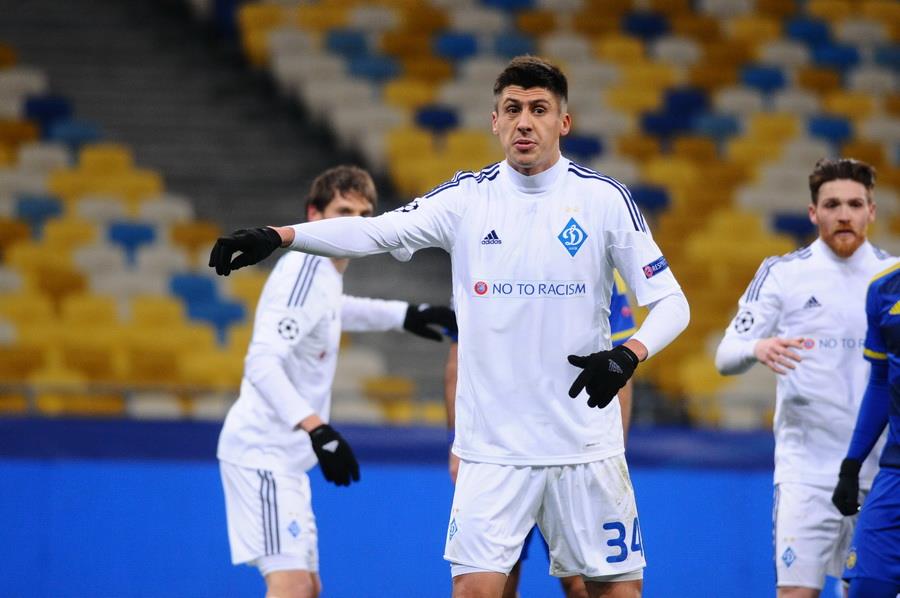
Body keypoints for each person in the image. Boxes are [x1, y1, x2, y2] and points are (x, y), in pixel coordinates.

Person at [209, 56, 690, 598]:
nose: (524, 122)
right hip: (491, 454)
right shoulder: (466, 199)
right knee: (475, 593)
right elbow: (375, 233)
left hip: (585, 448)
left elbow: (672, 302)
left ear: (564, 122)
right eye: (512, 109)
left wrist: (629, 354)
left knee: (613, 594)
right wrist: (280, 236)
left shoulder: (604, 200)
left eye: (539, 109)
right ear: (494, 121)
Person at [216, 165, 456, 598]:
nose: (355, 225)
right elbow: (261, 363)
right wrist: (318, 429)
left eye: (364, 216)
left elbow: (332, 309)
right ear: (314, 215)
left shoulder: (323, 272)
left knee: (308, 588)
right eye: (344, 212)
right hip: (262, 452)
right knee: (292, 586)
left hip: (284, 458)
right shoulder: (305, 269)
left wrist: (404, 315)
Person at [715, 158, 894, 598]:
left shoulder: (893, 282)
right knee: (796, 593)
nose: (844, 214)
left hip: (882, 471)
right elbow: (725, 356)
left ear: (872, 211)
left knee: (866, 591)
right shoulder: (783, 273)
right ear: (813, 213)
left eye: (855, 204)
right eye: (832, 205)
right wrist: (757, 348)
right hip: (806, 473)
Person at [444, 274, 637, 598]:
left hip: (562, 451)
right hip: (510, 452)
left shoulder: (595, 263)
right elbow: (458, 359)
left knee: (581, 583)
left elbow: (618, 370)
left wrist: (613, 450)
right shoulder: (480, 259)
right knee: (495, 581)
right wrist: (457, 442)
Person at [831, 262, 900, 598]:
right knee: (866, 586)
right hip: (895, 474)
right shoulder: (884, 289)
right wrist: (852, 464)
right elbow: (881, 382)